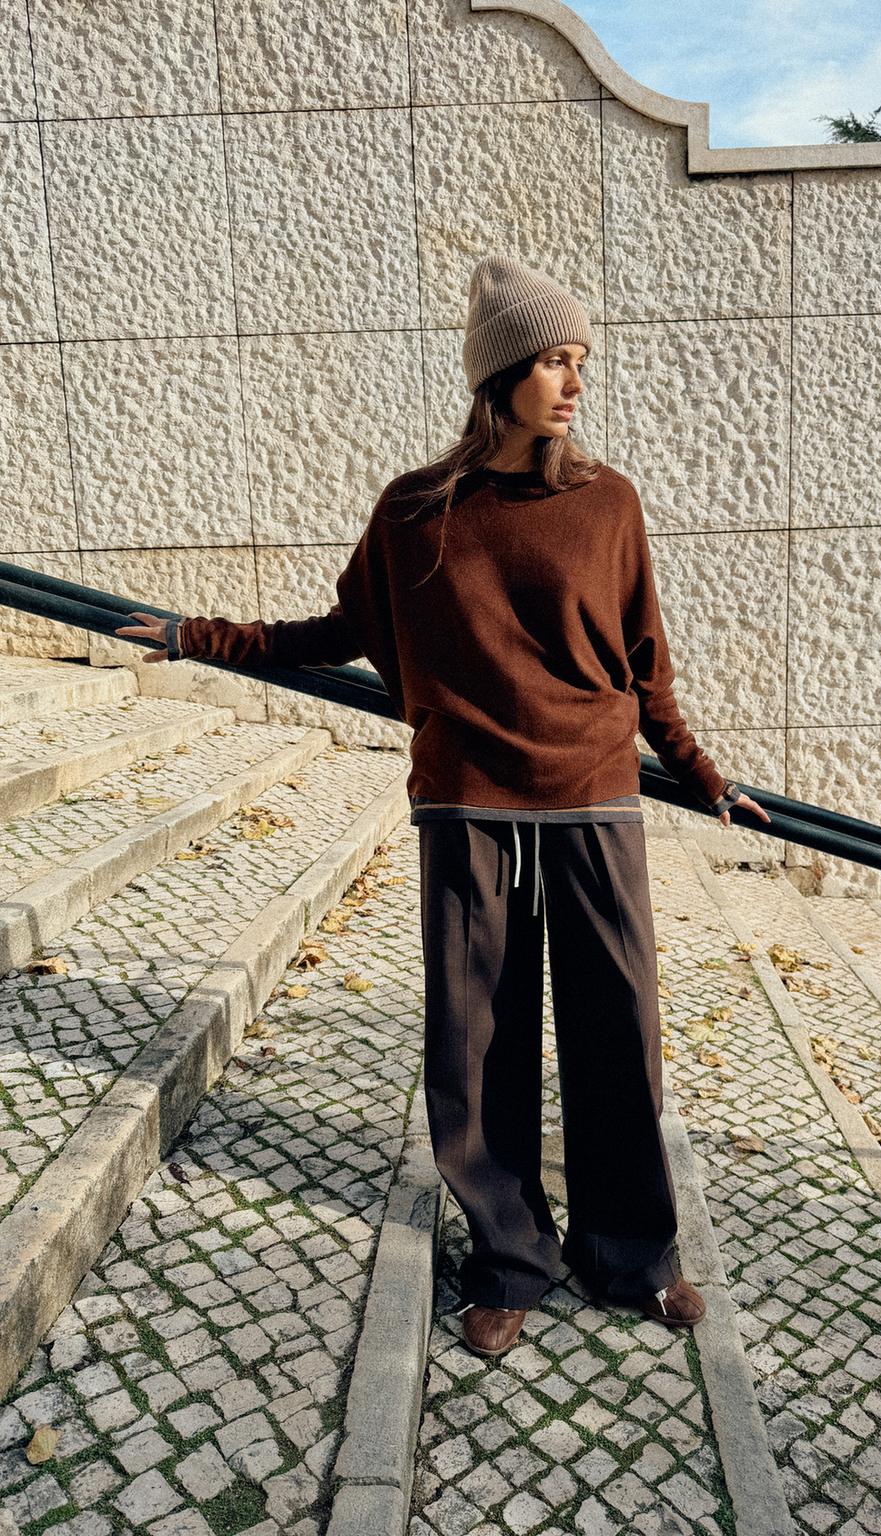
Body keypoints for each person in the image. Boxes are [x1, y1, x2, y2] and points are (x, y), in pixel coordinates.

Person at [115, 254, 771, 1361]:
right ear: (499, 375)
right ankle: (509, 1259)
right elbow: (335, 634)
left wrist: (703, 775)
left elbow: (644, 665)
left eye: (580, 361)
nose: (575, 383)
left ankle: (630, 1256)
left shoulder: (608, 503)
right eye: (554, 361)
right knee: (476, 1046)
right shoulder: (417, 512)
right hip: (467, 809)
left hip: (594, 800)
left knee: (618, 1037)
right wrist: (198, 636)